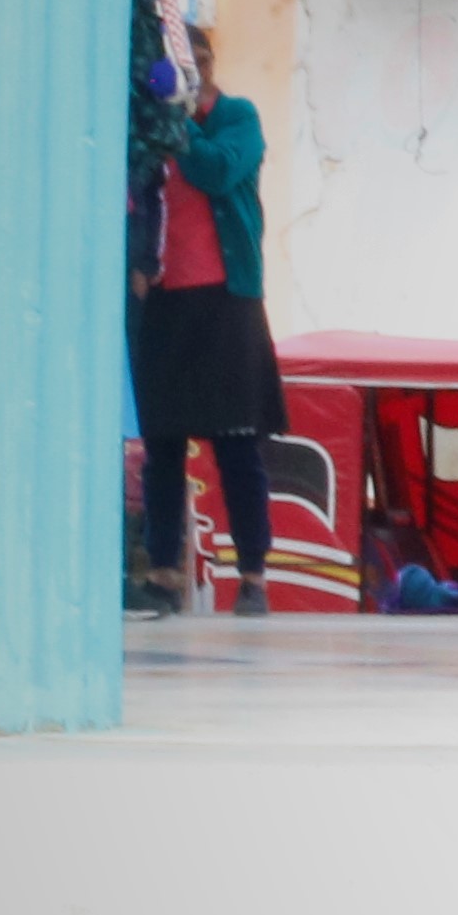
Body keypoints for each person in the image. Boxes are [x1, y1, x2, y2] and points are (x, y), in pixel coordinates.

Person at [127, 37, 282, 615]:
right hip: (167, 296)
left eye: (198, 64)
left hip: (226, 297)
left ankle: (254, 575)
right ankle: (164, 572)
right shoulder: (152, 126)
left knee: (237, 442)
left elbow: (218, 171)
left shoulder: (237, 117)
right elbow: (140, 188)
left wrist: (181, 121)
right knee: (163, 444)